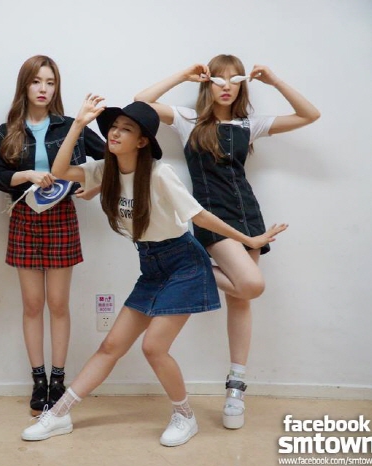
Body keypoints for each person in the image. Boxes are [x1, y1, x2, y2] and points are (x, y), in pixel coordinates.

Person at [20, 96, 287, 446]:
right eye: (113, 127)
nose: (115, 133)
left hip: (184, 262)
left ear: (142, 141)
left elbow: (200, 216)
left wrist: (248, 238)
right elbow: (59, 172)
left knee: (153, 347)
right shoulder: (105, 171)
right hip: (151, 265)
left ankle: (184, 416)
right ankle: (59, 415)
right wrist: (78, 125)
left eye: (125, 130)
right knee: (111, 345)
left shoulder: (160, 175)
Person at [134, 55, 320, 429]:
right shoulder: (188, 120)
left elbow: (309, 115)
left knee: (241, 299)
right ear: (208, 84)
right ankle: (189, 265)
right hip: (211, 218)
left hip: (248, 215)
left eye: (234, 79)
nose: (226, 86)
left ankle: (236, 388)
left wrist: (274, 80)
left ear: (242, 85)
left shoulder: (249, 125)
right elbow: (141, 104)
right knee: (251, 285)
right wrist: (182, 75)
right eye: (219, 79)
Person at [0, 55, 105, 414]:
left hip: (61, 217)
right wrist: (26, 175)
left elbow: (114, 158)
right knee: (32, 304)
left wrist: (97, 188)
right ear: (25, 85)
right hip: (24, 217)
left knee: (58, 303)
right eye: (37, 81)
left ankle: (58, 379)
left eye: (50, 82)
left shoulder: (70, 126)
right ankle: (38, 380)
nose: (43, 89)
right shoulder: (8, 130)